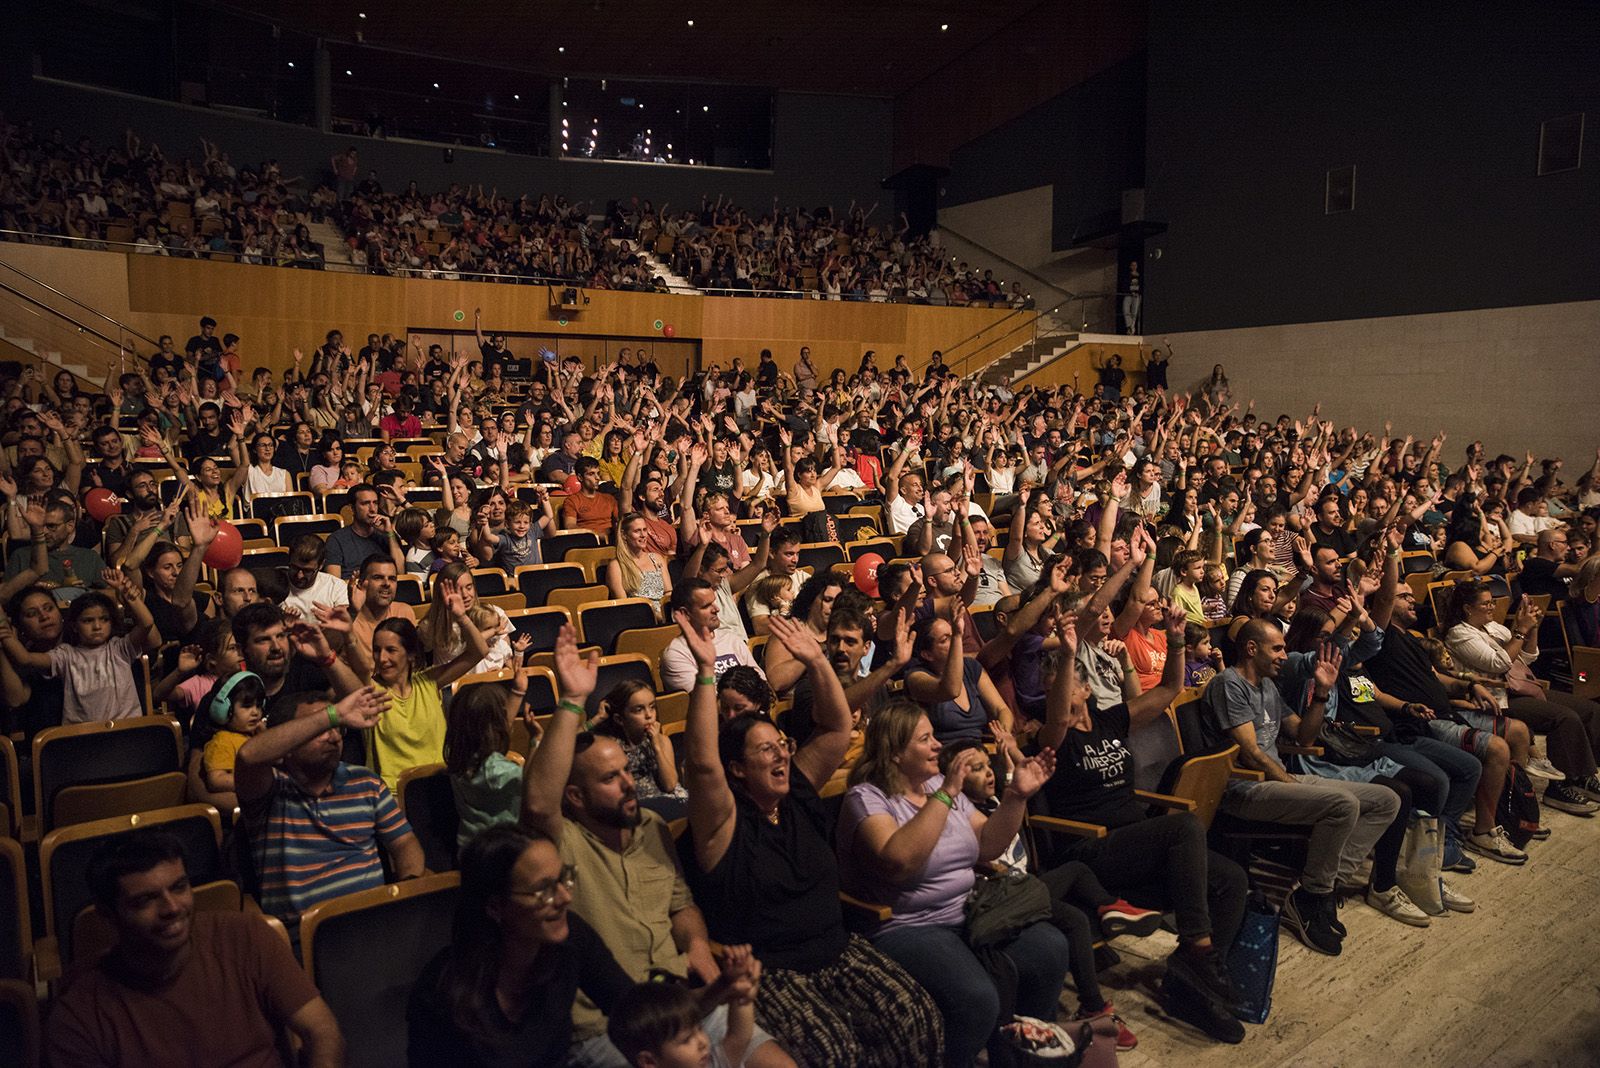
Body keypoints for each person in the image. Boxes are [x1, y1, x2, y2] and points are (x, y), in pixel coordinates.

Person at [675, 609, 944, 1066]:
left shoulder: (796, 789)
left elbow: (839, 727)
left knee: (916, 1017)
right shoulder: (722, 823)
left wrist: (817, 662)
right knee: (833, 1049)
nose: (781, 754)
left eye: (781, 744)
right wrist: (704, 674)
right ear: (737, 769)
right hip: (775, 971)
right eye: (766, 750)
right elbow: (702, 765)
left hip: (838, 950)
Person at [521, 626, 792, 1067]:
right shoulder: (559, 844)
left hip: (682, 1004)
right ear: (575, 797)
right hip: (610, 1026)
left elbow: (681, 906)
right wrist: (571, 701)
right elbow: (536, 802)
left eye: (626, 772)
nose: (629, 784)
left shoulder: (650, 825)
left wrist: (698, 945)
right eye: (610, 779)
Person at [1040, 607, 1251, 1043]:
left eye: (1078, 677)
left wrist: (1175, 641)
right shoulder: (1050, 737)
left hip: (1135, 845)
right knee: (1183, 827)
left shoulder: (1112, 719)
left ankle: (1191, 988)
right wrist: (1064, 656)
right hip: (1091, 852)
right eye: (1068, 679)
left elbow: (1173, 688)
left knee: (1232, 880)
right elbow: (1059, 718)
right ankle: (1198, 947)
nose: (1080, 685)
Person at [836, 700, 1067, 1067]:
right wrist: (944, 794)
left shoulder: (937, 786)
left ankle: (1024, 1057)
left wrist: (1016, 796)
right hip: (906, 926)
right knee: (977, 998)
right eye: (925, 739)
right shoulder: (867, 797)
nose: (937, 746)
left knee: (1050, 949)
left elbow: (987, 846)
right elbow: (899, 862)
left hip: (969, 911)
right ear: (895, 753)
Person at [45, 830, 345, 1068]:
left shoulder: (244, 936)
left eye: (178, 887)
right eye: (146, 900)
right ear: (109, 915)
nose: (172, 908)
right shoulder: (80, 1014)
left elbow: (322, 1031)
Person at [1202, 619, 1401, 956]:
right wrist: (1291, 782)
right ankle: (1313, 898)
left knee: (1386, 800)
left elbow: (1304, 735)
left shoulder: (1267, 686)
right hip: (1244, 789)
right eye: (1277, 648)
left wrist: (1322, 692)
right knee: (1342, 805)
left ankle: (1320, 889)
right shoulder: (1228, 684)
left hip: (1276, 780)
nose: (1285, 655)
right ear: (1251, 649)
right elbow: (1250, 754)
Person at [234, 685, 424, 938]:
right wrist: (332, 715)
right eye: (321, 730)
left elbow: (405, 843)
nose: (335, 737)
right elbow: (247, 756)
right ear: (289, 741)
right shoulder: (269, 793)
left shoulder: (365, 782)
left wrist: (407, 889)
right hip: (305, 940)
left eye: (338, 728)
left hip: (376, 928)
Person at [1441, 582, 1600, 812]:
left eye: (1492, 601)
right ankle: (1558, 789)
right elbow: (1498, 664)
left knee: (1590, 710)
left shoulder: (1493, 627)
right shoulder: (1459, 634)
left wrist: (1532, 628)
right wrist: (1520, 630)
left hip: (1520, 688)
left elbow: (1528, 656)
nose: (1492, 607)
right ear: (1467, 608)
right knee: (1564, 717)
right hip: (1498, 698)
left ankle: (1583, 775)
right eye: (1486, 603)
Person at [366, 584, 490, 792]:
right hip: (393, 795)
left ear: (411, 655)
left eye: (391, 650)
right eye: (377, 651)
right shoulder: (370, 689)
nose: (382, 658)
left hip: (440, 786)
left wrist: (461, 616)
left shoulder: (428, 681)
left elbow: (479, 651)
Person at [0, 567, 159, 722]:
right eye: (32, 614)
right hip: (77, 738)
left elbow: (148, 627)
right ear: (75, 624)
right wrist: (3, 632)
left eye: (49, 608)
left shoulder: (116, 647)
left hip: (125, 731)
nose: (44, 616)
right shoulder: (65, 654)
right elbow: (23, 665)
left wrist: (127, 595)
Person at [660, 580, 764, 693]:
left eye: (714, 602)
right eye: (706, 606)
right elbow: (705, 702)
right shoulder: (677, 654)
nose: (716, 609)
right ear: (685, 613)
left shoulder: (731, 639)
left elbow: (762, 684)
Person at [607, 512, 674, 617]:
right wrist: (654, 616)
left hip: (665, 615)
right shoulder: (616, 565)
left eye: (645, 530)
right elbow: (624, 605)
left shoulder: (657, 558)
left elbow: (668, 593)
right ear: (624, 535)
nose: (643, 535)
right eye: (637, 531)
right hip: (638, 617)